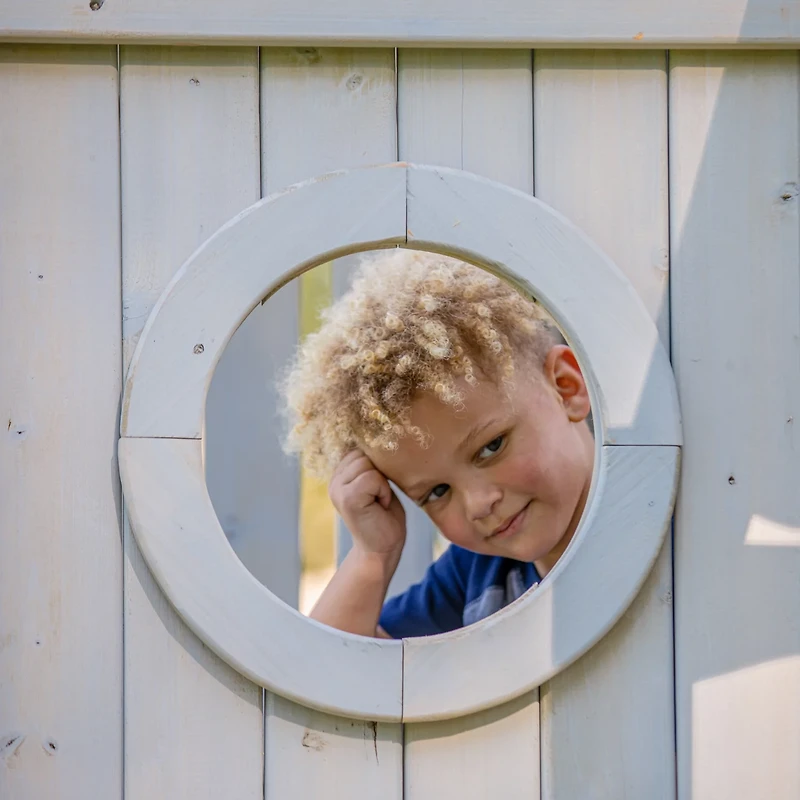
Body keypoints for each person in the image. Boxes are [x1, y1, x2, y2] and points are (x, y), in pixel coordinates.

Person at [282, 249, 595, 638]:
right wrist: (372, 558)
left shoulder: (676, 525)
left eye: (491, 447)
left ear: (566, 388)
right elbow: (327, 677)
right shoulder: (471, 580)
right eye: (437, 491)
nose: (479, 504)